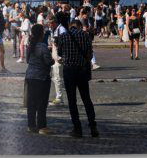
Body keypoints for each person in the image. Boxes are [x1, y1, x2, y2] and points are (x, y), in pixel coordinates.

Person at [53, 10, 99, 138]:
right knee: (86, 99)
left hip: (69, 70)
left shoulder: (63, 36)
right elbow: (90, 54)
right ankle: (92, 126)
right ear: (78, 25)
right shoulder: (85, 35)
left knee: (72, 101)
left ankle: (77, 128)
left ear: (70, 25)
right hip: (82, 70)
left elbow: (60, 54)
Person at [23, 22, 53, 134]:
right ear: (41, 34)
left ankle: (31, 126)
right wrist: (54, 60)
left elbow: (27, 60)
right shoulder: (43, 47)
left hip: (30, 76)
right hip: (42, 77)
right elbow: (48, 62)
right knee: (42, 103)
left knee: (31, 103)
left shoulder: (30, 46)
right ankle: (42, 127)